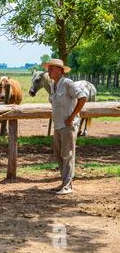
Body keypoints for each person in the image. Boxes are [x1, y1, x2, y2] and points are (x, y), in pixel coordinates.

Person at [42, 58, 87, 195]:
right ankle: (64, 183)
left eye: (52, 68)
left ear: (60, 71)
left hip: (68, 126)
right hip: (58, 125)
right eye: (48, 68)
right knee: (59, 154)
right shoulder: (53, 85)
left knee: (67, 155)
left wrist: (72, 116)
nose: (48, 70)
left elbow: (83, 97)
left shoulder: (68, 83)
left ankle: (67, 186)